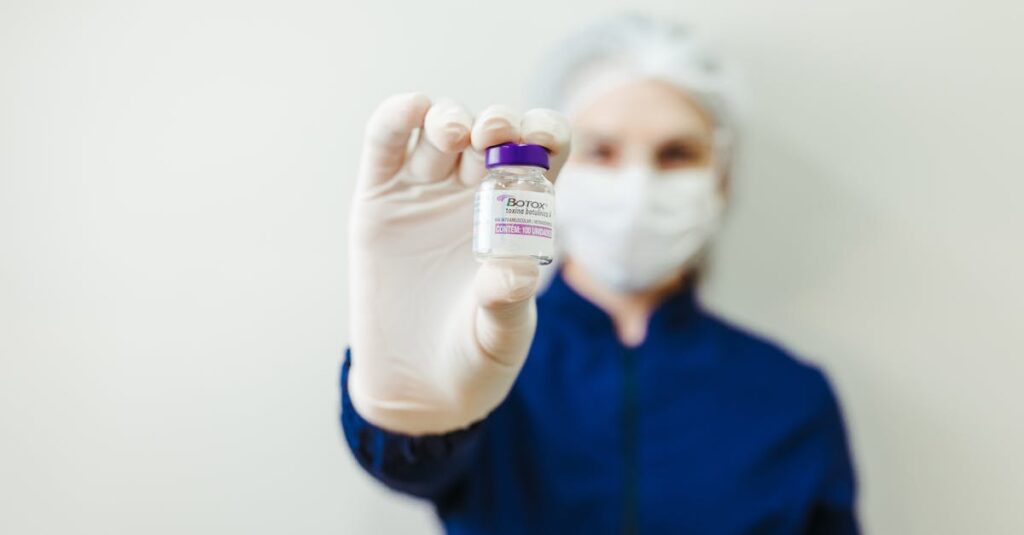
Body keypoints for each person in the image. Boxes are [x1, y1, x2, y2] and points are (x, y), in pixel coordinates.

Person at [340, 14, 858, 535]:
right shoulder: (480, 359)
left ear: (720, 176)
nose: (637, 187)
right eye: (601, 151)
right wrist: (408, 415)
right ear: (551, 175)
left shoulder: (791, 397)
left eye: (676, 153)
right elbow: (410, 467)